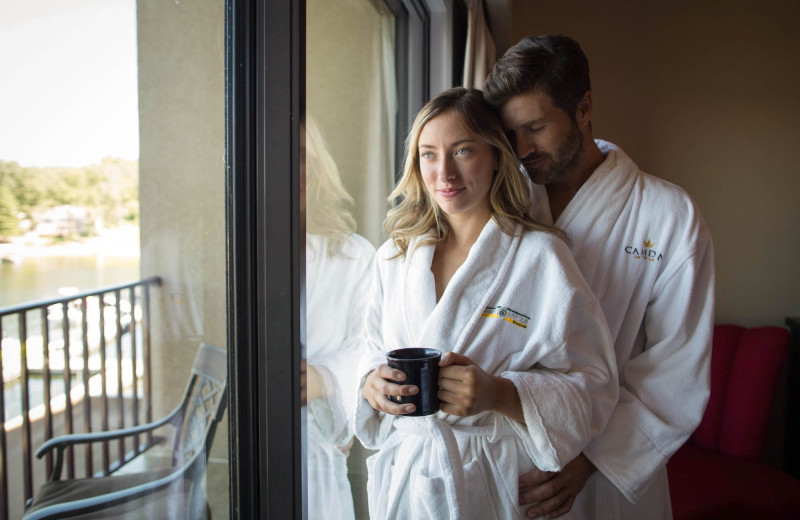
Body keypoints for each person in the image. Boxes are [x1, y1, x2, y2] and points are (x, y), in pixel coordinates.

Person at [354, 87, 618, 519]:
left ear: (496, 155)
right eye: (428, 154)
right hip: (410, 478)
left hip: (496, 478)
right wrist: (370, 384)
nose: (445, 173)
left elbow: (594, 383)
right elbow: (367, 348)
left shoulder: (542, 257)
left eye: (462, 151)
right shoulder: (394, 257)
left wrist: (501, 394)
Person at [484, 35, 715, 520]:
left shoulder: (667, 215)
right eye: (511, 133)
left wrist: (591, 460)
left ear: (584, 108)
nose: (522, 149)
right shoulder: (504, 203)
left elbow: (677, 365)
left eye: (536, 127)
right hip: (511, 455)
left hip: (608, 464)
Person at [301, 116, 375, 520]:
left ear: (318, 168)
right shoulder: (243, 254)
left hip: (319, 451)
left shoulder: (354, 256)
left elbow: (371, 346)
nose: (289, 170)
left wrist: (323, 378)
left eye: (300, 157)